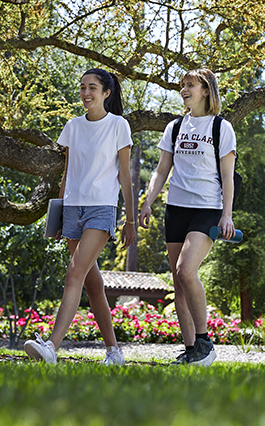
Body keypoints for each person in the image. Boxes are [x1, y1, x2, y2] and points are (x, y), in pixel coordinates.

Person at [24, 68, 136, 366]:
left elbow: (125, 175)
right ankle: (114, 352)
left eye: (93, 88)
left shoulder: (118, 125)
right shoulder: (73, 126)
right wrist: (59, 214)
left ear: (106, 93)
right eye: (83, 87)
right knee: (91, 282)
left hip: (101, 209)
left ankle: (51, 346)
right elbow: (68, 171)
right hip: (73, 209)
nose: (86, 93)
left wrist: (131, 219)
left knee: (74, 273)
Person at [139, 68, 237, 366]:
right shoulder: (175, 127)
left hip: (207, 208)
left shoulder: (222, 128)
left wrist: (227, 215)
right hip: (176, 208)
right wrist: (148, 202)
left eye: (190, 85)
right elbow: (161, 169)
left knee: (185, 270)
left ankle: (205, 341)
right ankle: (193, 349)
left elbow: (228, 177)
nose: (184, 89)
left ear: (206, 90)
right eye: (182, 85)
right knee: (178, 281)